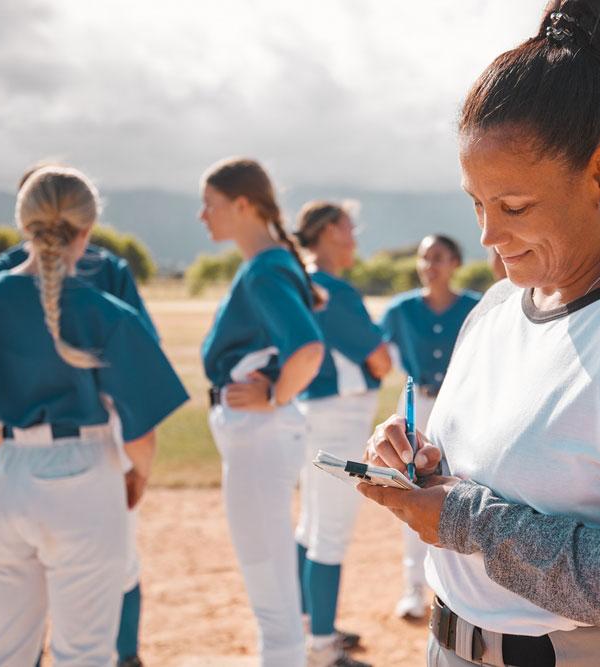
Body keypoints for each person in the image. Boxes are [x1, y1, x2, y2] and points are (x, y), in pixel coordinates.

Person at [359, 1, 600, 665]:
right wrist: (429, 470)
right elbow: (507, 475)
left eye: (514, 206)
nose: (487, 235)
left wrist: (465, 521)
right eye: (477, 204)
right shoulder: (493, 306)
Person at [0, 166, 188, 666]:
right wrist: (138, 476)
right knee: (82, 654)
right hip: (84, 476)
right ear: (88, 228)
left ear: (24, 223)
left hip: (8, 474)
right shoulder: (106, 310)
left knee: (9, 652)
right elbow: (141, 435)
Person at [199, 157, 325, 667]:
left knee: (268, 581)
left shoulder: (264, 268)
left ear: (243, 204)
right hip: (260, 433)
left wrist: (273, 396)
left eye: (209, 204)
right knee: (268, 575)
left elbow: (308, 350)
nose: (202, 216)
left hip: (260, 431)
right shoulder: (270, 263)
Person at [292, 201, 391, 667]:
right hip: (340, 414)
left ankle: (309, 625)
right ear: (329, 231)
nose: (354, 236)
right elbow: (380, 361)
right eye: (349, 227)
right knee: (328, 531)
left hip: (308, 410)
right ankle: (323, 647)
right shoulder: (330, 289)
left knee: (311, 525)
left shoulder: (295, 281)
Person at [377, 235, 481, 619]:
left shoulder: (477, 307)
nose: (429, 265)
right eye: (423, 258)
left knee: (465, 485)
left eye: (438, 257)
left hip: (466, 405)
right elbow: (373, 354)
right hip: (418, 405)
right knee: (413, 489)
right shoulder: (400, 309)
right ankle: (413, 588)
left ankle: (465, 590)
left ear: (455, 262)